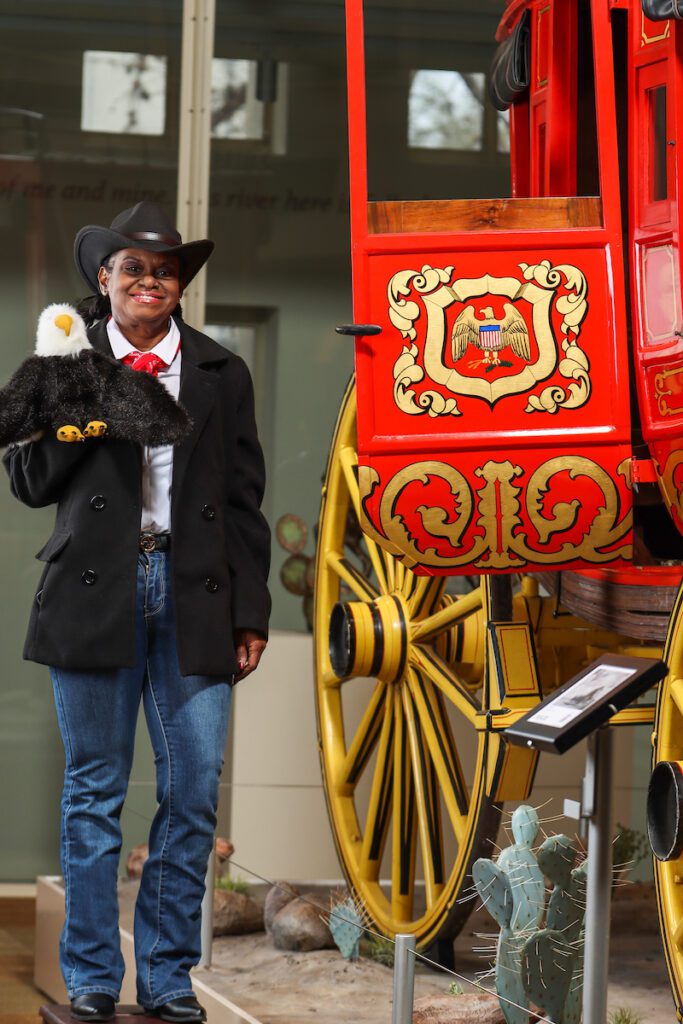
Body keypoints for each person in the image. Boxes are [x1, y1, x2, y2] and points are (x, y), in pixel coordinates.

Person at [3, 202, 271, 1023]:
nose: (150, 281)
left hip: (195, 599)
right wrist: (85, 408)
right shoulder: (63, 360)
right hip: (95, 596)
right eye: (134, 269)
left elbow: (244, 501)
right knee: (94, 794)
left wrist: (250, 613)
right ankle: (89, 977)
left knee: (191, 795)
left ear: (178, 284)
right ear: (104, 280)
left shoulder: (223, 371)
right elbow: (28, 481)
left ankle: (163, 978)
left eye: (164, 270)